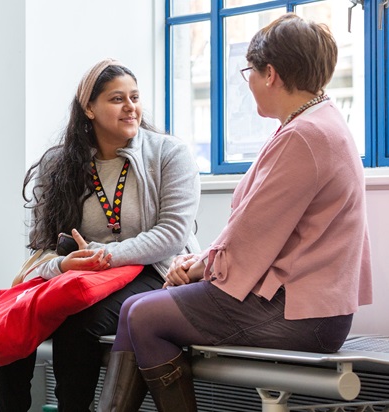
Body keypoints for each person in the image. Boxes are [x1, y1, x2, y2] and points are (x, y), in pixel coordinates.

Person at [102, 13, 373, 412]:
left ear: (271, 74)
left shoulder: (305, 136)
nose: (249, 81)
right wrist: (201, 261)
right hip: (304, 306)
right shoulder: (317, 123)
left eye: (250, 72)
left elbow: (253, 234)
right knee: (136, 310)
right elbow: (258, 228)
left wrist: (199, 267)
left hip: (300, 313)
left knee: (142, 314)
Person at [0, 58, 201, 412]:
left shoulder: (169, 154)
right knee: (13, 317)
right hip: (81, 274)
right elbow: (45, 246)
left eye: (135, 97)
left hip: (154, 271)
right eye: (117, 99)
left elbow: (172, 235)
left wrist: (103, 256)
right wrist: (63, 265)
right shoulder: (58, 164)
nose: (131, 107)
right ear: (89, 108)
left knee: (79, 324)